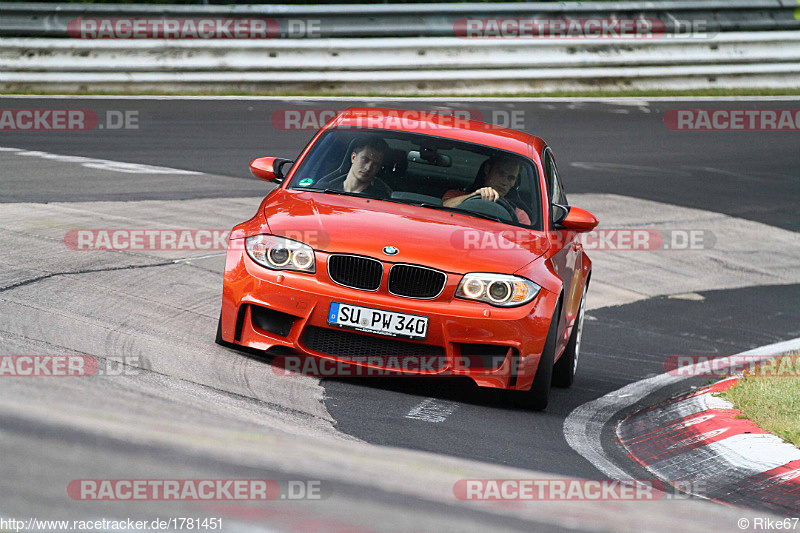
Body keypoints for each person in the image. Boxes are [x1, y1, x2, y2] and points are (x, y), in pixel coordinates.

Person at [442, 155, 531, 225]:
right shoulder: (455, 195)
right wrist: (474, 195)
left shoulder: (519, 216)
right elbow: (441, 209)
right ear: (487, 170)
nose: (504, 182)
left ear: (514, 183)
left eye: (511, 178)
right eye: (501, 173)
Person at [322, 135, 392, 199]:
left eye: (375, 164)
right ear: (353, 157)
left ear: (379, 168)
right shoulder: (323, 189)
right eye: (365, 159)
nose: (368, 168)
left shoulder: (380, 199)